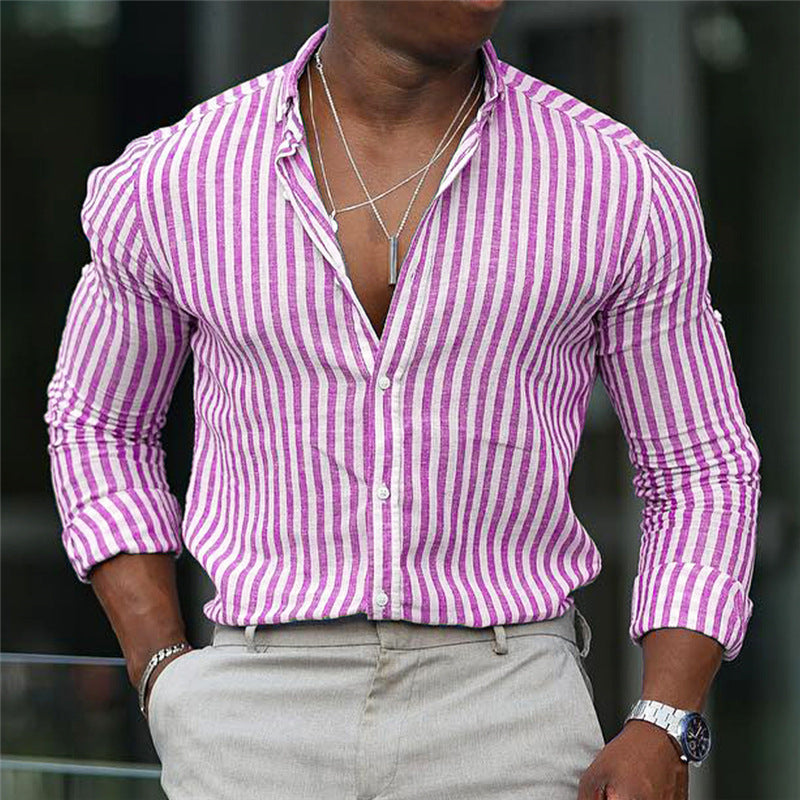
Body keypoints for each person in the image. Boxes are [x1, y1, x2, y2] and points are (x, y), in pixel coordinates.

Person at [44, 2, 761, 799]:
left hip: (508, 708)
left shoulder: (616, 183)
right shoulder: (176, 177)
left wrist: (665, 718)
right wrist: (162, 669)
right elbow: (98, 424)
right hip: (251, 709)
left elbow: (702, 467)